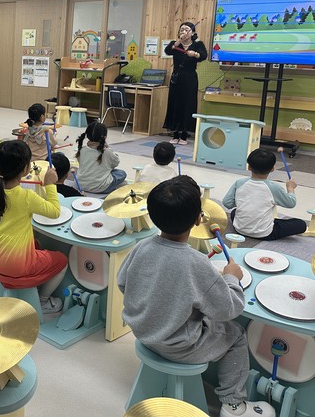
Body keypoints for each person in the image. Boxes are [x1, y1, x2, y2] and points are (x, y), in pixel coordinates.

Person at [118, 176, 275, 417]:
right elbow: (230, 309)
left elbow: (122, 283)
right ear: (198, 219)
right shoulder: (197, 263)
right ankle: (233, 404)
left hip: (141, 333)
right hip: (178, 346)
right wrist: (231, 277)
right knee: (235, 335)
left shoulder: (141, 247)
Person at [0, 140, 67, 314]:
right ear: (26, 169)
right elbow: (55, 212)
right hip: (17, 266)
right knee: (62, 260)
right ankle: (43, 301)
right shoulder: (26, 196)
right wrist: (50, 184)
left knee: (35, 244)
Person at [223, 148, 306, 240]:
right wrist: (290, 188)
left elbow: (227, 203)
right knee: (301, 224)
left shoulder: (239, 182)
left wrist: (245, 202)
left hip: (239, 229)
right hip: (265, 233)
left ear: (249, 167)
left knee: (235, 212)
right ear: (272, 169)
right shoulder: (274, 187)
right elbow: (291, 203)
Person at [164, 22, 207, 145]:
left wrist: (195, 54)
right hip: (176, 78)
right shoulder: (175, 44)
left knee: (187, 104)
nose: (183, 31)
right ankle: (175, 134)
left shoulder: (197, 44)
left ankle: (184, 135)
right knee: (174, 104)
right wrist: (179, 40)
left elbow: (203, 56)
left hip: (190, 78)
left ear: (192, 33)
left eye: (186, 29)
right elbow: (168, 51)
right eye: (181, 29)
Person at [74, 121, 126, 193]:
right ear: (105, 137)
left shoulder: (82, 149)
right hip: (100, 188)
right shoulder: (106, 151)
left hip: (79, 185)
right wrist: (107, 148)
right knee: (121, 173)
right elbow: (116, 163)